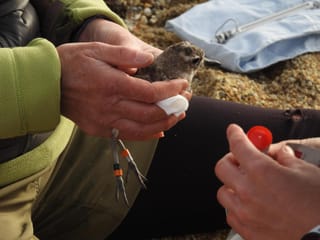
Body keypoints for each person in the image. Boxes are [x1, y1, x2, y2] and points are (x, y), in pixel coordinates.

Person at [0, 1, 320, 240]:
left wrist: (86, 21)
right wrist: (47, 84)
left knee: (306, 141)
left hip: (70, 125)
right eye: (197, 64)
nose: (200, 67)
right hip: (10, 187)